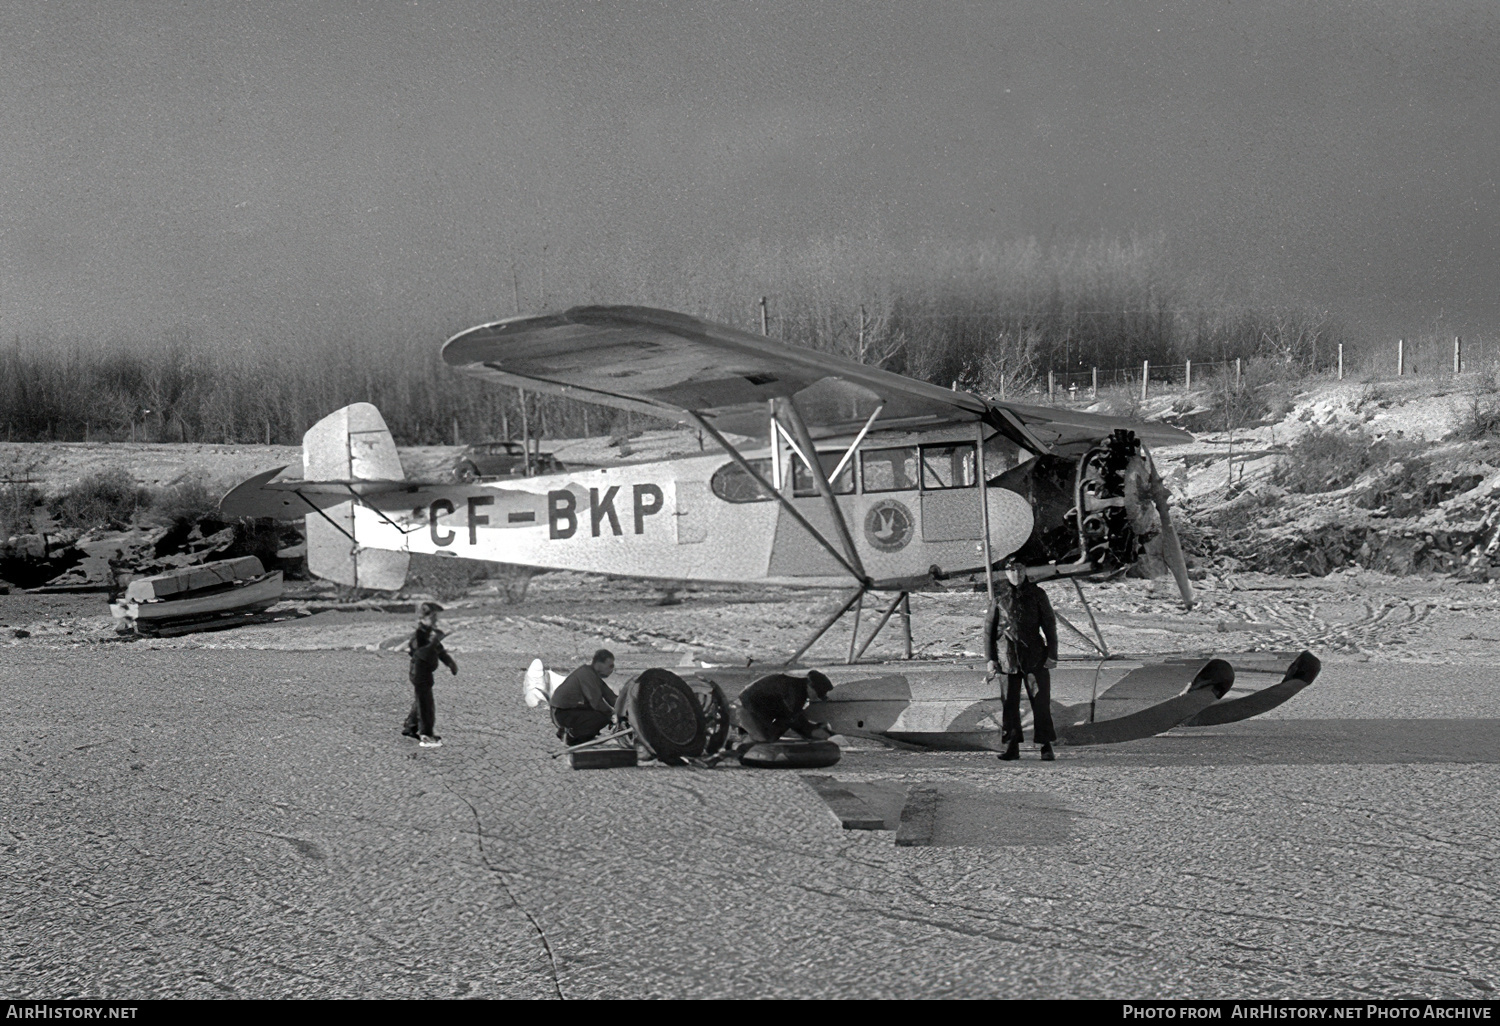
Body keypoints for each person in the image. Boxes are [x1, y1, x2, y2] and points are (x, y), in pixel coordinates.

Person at [985, 560, 1059, 762]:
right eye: (1011, 570)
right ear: (1006, 573)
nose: (1015, 573)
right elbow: (989, 631)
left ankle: (1045, 746)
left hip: (1034, 657)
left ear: (1025, 571)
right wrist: (990, 659)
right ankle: (1012, 746)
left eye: (1019, 569)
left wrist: (1052, 654)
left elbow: (1049, 625)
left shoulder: (1037, 594)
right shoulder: (999, 596)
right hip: (1007, 658)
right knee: (1009, 704)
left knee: (1040, 701)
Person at [402, 601, 458, 748]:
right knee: (425, 704)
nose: (435, 620)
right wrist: (435, 640)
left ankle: (410, 726)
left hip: (425, 673)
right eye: (432, 617)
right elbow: (421, 653)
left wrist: (450, 663)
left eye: (435, 617)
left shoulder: (429, 633)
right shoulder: (419, 635)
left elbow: (440, 651)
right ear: (422, 619)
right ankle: (426, 735)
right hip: (419, 672)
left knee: (421, 699)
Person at [732, 670, 835, 744]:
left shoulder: (798, 688)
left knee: (770, 735)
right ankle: (739, 740)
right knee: (765, 739)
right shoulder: (795, 692)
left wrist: (811, 730)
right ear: (810, 686)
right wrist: (812, 732)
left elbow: (793, 717)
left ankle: (744, 736)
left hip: (757, 709)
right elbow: (793, 719)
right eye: (818, 693)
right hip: (746, 708)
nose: (817, 697)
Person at [549, 648, 619, 745]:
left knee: (602, 714)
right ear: (598, 664)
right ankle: (571, 738)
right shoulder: (586, 674)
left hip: (570, 710)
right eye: (610, 666)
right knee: (601, 716)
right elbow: (596, 703)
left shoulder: (593, 676)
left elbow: (611, 697)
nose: (612, 669)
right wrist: (613, 715)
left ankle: (583, 735)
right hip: (561, 712)